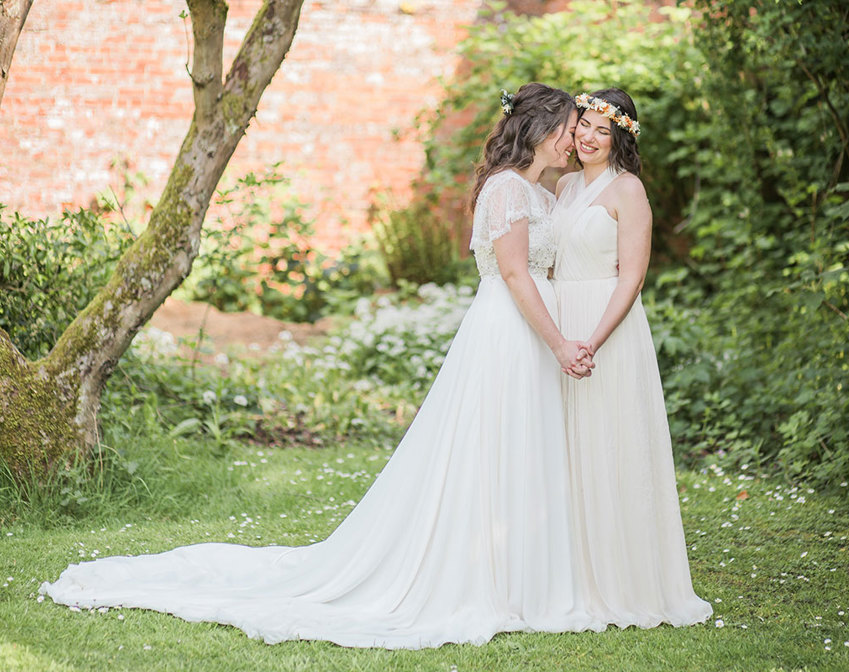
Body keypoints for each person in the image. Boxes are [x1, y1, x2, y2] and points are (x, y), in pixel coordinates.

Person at [41, 83, 603, 649]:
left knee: (525, 444)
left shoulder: (548, 195)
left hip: (537, 331)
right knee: (492, 446)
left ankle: (526, 571)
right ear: (537, 130)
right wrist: (558, 343)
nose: (574, 139)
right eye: (567, 128)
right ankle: (484, 575)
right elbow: (514, 275)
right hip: (510, 332)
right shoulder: (507, 190)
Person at [552, 88, 712, 627]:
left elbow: (633, 276)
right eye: (583, 126)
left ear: (621, 134)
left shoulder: (629, 190)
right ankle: (570, 574)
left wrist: (593, 339)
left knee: (610, 443)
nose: (588, 137)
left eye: (602, 129)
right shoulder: (564, 184)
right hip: (562, 324)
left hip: (608, 328)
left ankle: (624, 579)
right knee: (568, 447)